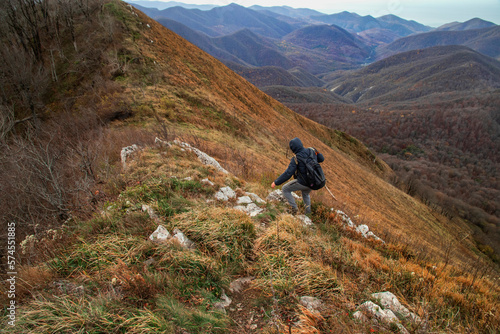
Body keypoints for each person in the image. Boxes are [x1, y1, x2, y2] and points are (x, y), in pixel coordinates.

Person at [271, 137, 324, 215]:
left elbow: (288, 173)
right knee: (305, 193)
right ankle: (308, 213)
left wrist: (276, 182)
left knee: (285, 189)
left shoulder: (296, 158)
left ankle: (294, 209)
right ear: (301, 144)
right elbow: (321, 159)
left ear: (293, 149)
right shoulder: (312, 150)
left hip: (304, 183)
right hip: (314, 181)